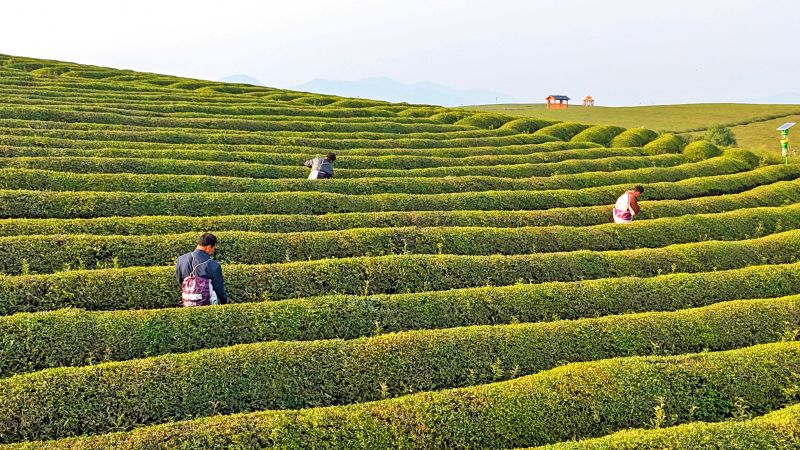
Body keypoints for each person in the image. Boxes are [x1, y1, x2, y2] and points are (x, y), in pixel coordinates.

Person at [175, 232, 228, 306]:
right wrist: (224, 302)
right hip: (207, 303)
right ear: (208, 247)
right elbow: (219, 290)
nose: (213, 251)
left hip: (188, 300)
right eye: (213, 248)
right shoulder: (213, 265)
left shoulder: (181, 259)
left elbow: (180, 280)